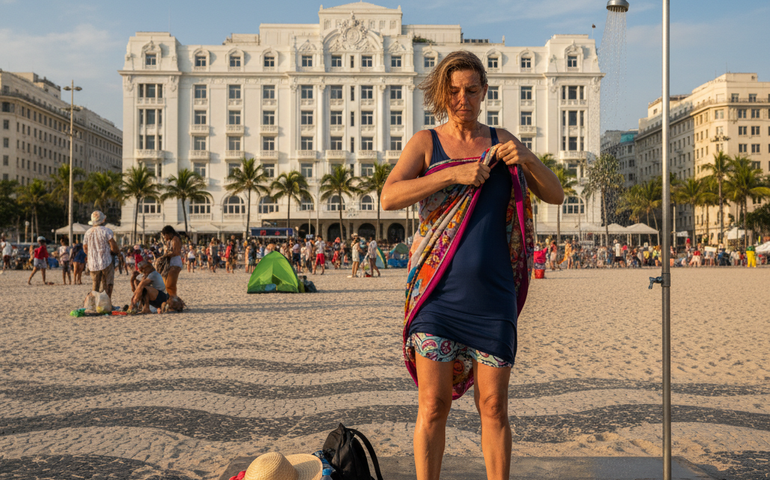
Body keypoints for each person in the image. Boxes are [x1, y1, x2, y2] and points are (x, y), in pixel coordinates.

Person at [380, 51, 562, 480]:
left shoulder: (502, 140)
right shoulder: (428, 142)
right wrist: (451, 175)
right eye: (454, 90)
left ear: (484, 91)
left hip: (494, 297)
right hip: (437, 297)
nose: (463, 98)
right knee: (433, 405)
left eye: (472, 89)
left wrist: (528, 158)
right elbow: (389, 197)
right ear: (443, 93)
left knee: (495, 406)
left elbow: (554, 194)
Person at [83, 211, 119, 299]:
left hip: (93, 263)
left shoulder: (87, 232)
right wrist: (115, 252)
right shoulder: (107, 231)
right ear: (103, 220)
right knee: (107, 284)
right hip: (106, 261)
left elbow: (85, 248)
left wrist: (92, 254)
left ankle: (94, 303)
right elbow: (113, 246)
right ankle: (106, 303)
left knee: (95, 284)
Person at [159, 225, 183, 297]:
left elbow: (176, 252)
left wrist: (165, 256)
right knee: (167, 284)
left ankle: (173, 300)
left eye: (164, 236)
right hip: (172, 263)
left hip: (175, 263)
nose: (164, 238)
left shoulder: (175, 239)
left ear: (167, 234)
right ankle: (172, 299)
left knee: (170, 285)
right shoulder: (171, 240)